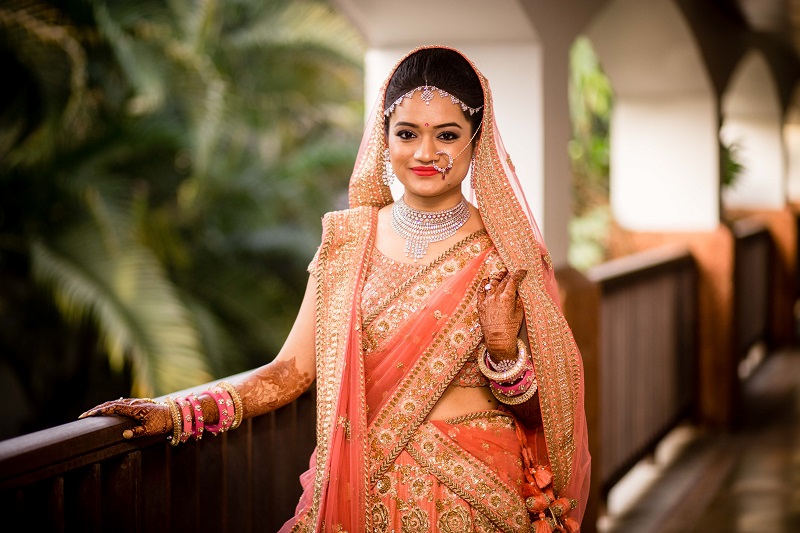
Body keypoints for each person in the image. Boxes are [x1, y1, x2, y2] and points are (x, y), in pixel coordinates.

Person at [80, 45, 590, 532]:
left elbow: (547, 416)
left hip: (474, 495)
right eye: (408, 133)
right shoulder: (348, 242)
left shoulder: (506, 253)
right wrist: (178, 412)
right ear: (384, 138)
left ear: (476, 141)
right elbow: (290, 372)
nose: (426, 152)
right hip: (362, 490)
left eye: (448, 135)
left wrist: (504, 353)